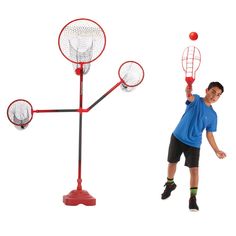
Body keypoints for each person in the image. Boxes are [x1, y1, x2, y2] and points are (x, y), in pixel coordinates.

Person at [161, 81, 226, 211]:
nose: (214, 96)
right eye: (213, 92)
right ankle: (170, 184)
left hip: (194, 144)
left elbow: (209, 134)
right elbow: (189, 95)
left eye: (218, 95)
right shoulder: (196, 100)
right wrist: (188, 90)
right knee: (172, 163)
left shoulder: (213, 115)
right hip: (178, 137)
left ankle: (193, 198)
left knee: (194, 170)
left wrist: (217, 150)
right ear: (207, 90)